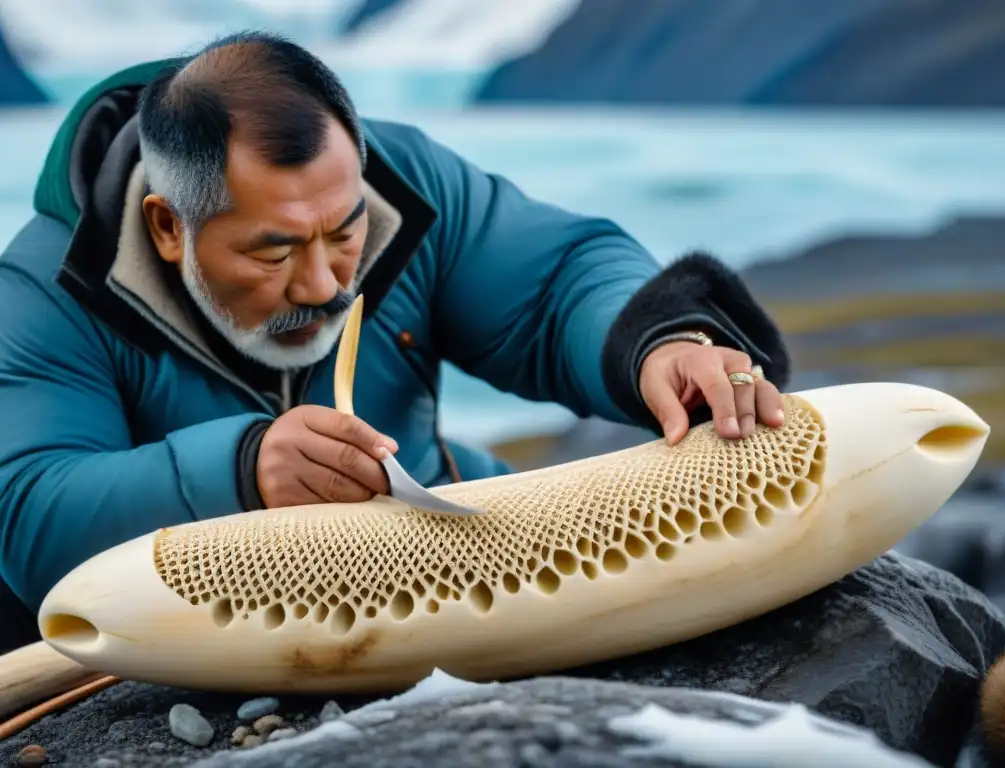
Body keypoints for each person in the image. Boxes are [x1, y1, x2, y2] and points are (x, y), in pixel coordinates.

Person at [0, 32, 790, 652]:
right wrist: (244, 471)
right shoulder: (43, 293)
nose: (322, 285)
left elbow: (555, 284)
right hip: (187, 645)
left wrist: (659, 341)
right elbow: (30, 516)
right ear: (168, 227)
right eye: (274, 251)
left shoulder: (402, 182)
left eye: (344, 233)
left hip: (439, 543)